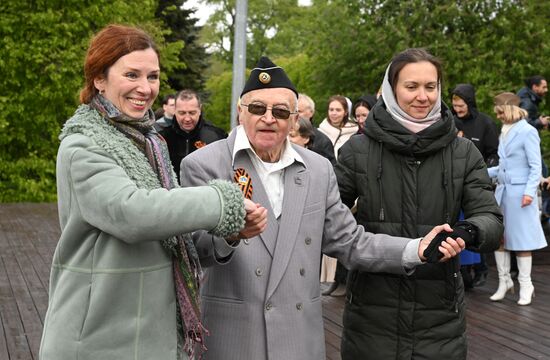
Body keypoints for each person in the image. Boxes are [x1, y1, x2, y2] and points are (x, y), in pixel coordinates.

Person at [179, 56, 466, 360]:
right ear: (240, 112)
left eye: (279, 111)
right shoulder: (204, 165)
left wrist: (415, 248)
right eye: (257, 108)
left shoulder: (317, 169)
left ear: (294, 120)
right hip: (233, 337)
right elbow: (193, 251)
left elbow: (349, 241)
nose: (268, 118)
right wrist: (232, 235)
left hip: (298, 337)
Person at [38, 24, 267, 360]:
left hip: (151, 335)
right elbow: (134, 213)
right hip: (98, 339)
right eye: (132, 74)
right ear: (99, 79)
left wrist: (231, 234)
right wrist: (223, 200)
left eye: (153, 76)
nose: (145, 88)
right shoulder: (83, 145)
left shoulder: (151, 143)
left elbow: (173, 240)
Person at [336, 48, 503, 359]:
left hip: (440, 319)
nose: (423, 96)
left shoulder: (463, 152)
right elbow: (330, 220)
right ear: (390, 89)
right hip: (372, 319)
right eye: (411, 86)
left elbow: (490, 219)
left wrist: (465, 233)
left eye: (431, 86)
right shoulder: (357, 151)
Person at [487, 92, 547, 306]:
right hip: (502, 193)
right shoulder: (503, 131)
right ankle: (504, 282)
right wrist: (483, 172)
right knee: (499, 238)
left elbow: (535, 166)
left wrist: (530, 192)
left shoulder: (528, 131)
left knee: (522, 241)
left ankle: (526, 284)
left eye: (501, 112)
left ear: (510, 109)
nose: (499, 116)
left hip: (522, 195)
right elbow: (503, 166)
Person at [451, 83, 500, 287]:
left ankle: (482, 269)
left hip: (479, 180)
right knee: (460, 225)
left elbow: (494, 153)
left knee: (478, 222)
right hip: (455, 181)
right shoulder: (450, 122)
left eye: (461, 105)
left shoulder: (485, 123)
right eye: (454, 105)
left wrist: (487, 170)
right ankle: (462, 270)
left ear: (469, 103)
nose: (457, 109)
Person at [317, 95, 359, 291]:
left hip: (346, 184)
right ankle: (329, 279)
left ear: (345, 112)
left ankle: (342, 278)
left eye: (338, 110)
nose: (333, 113)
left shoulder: (355, 132)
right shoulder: (320, 131)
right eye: (331, 109)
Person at [160, 89, 227, 183]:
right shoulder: (162, 138)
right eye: (182, 113)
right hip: (172, 195)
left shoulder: (217, 137)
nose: (187, 118)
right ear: (175, 110)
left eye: (192, 113)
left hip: (205, 194)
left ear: (200, 110)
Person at [297, 93, 336, 164]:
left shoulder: (323, 142)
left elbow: (329, 171)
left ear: (311, 113)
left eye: (299, 111)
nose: (296, 115)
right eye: (294, 111)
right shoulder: (281, 135)